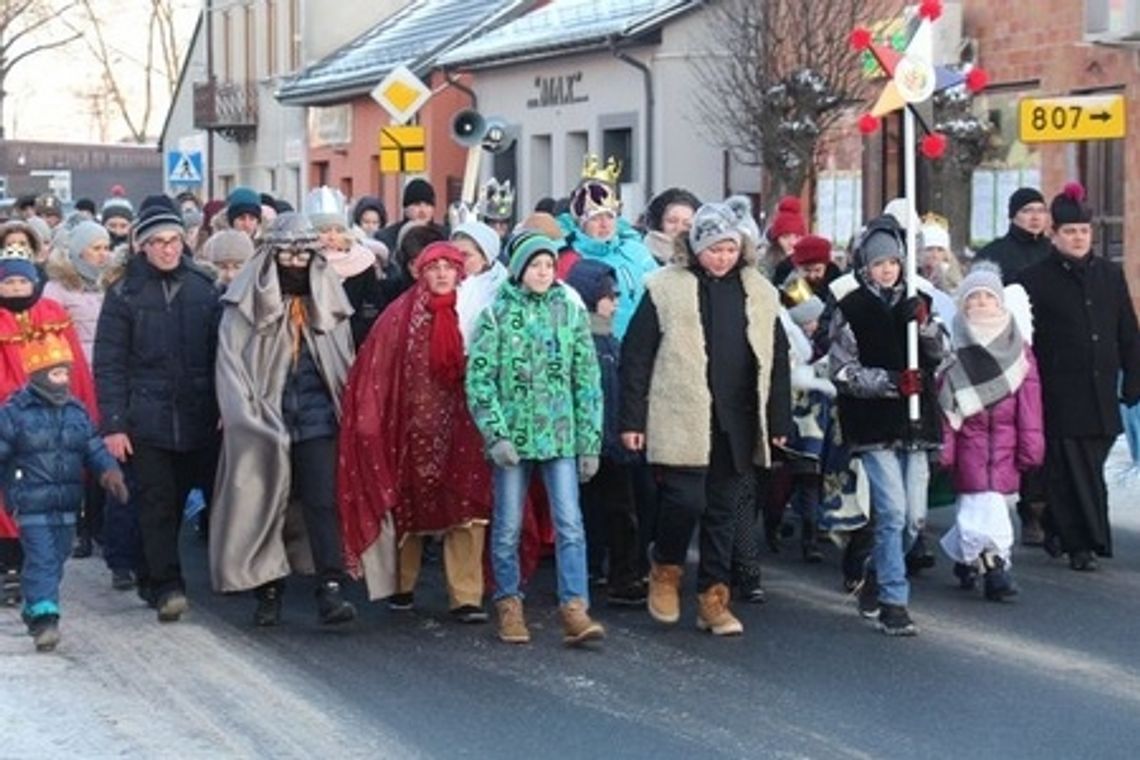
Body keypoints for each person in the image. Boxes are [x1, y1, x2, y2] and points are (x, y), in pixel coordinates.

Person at [620, 200, 791, 636]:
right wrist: (632, 420)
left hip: (738, 414)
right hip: (682, 412)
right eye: (714, 249)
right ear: (696, 248)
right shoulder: (665, 287)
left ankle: (714, 597)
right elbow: (637, 356)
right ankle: (667, 566)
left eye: (730, 249)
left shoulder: (760, 291)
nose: (722, 257)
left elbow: (778, 360)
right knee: (685, 499)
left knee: (725, 511)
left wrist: (778, 422)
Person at [210, 214, 357, 627]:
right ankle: (267, 587)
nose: (295, 262)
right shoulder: (244, 306)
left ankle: (330, 586)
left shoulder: (328, 302)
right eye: (287, 254)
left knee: (322, 500)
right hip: (263, 417)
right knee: (265, 498)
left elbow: (343, 362)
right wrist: (247, 417)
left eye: (303, 254)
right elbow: (231, 366)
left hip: (318, 417)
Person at [340, 242, 492, 623]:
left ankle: (466, 596)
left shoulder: (475, 311)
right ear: (419, 272)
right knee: (408, 508)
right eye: (433, 266)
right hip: (410, 427)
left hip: (465, 425)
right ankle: (401, 587)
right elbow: (376, 369)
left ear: (461, 272)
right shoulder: (398, 315)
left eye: (449, 266)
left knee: (467, 507)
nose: (442, 274)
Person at [466, 231, 605, 646]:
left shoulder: (570, 311)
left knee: (570, 524)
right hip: (513, 436)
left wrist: (590, 441)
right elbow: (480, 380)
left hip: (560, 436)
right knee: (508, 524)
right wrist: (495, 435)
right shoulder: (496, 315)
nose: (543, 273)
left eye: (549, 265)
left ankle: (575, 606)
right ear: (521, 270)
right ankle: (509, 602)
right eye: (535, 266)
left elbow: (587, 380)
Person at [94, 204, 222, 622]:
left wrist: (224, 407)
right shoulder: (124, 293)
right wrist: (113, 423)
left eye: (173, 241)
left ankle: (153, 575)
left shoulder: (204, 288)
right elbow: (109, 363)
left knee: (186, 499)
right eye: (158, 242)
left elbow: (222, 355)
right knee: (157, 503)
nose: (168, 250)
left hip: (198, 414)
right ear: (142, 246)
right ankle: (168, 586)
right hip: (144, 418)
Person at [828, 215, 947, 636]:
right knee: (892, 511)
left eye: (893, 262)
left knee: (915, 518)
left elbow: (940, 353)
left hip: (916, 426)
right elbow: (842, 371)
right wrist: (891, 383)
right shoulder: (853, 309)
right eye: (879, 264)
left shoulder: (915, 301)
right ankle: (895, 600)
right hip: (875, 424)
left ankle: (876, 574)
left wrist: (925, 323)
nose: (887, 270)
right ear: (866, 266)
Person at [1016, 182, 1140, 571]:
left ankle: (1057, 524)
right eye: (1070, 232)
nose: (1078, 238)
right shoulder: (1034, 279)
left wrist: (1134, 378)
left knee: (1087, 463)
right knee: (1074, 466)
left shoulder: (1109, 274)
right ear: (1055, 235)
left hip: (1103, 388)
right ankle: (1085, 542)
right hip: (1059, 390)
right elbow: (1024, 339)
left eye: (1084, 231)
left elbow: (1127, 330)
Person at [0, 334, 128, 651]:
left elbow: (92, 446)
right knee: (42, 558)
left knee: (57, 557)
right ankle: (46, 619)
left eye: (66, 374)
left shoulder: (76, 411)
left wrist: (109, 470)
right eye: (57, 374)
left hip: (68, 502)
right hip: (30, 501)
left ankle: (35, 605)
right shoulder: (15, 412)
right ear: (40, 375)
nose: (64, 380)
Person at [0, 223, 99, 607]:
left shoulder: (52, 312)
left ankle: (37, 567)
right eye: (7, 285)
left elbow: (74, 369)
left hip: (51, 421)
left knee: (47, 497)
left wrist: (84, 413)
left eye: (20, 284)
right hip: (10, 420)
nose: (14, 291)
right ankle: (11, 565)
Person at [938, 262, 1044, 600]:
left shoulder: (1019, 349)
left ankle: (977, 560)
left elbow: (1030, 401)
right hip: (970, 441)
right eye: (974, 297)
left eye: (988, 296)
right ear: (964, 304)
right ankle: (993, 568)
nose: (982, 302)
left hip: (1005, 443)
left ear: (1000, 302)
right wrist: (945, 447)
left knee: (993, 506)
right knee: (976, 507)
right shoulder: (954, 347)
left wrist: (1031, 444)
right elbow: (948, 405)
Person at [564, 258, 644, 605]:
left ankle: (609, 571)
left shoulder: (611, 339)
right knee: (605, 511)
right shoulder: (584, 340)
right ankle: (612, 574)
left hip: (611, 440)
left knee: (613, 510)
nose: (614, 302)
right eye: (608, 295)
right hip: (594, 440)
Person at [44, 220, 114, 559]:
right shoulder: (57, 289)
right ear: (79, 251)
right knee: (74, 451)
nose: (103, 254)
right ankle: (78, 527)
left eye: (106, 247)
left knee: (101, 448)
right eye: (96, 248)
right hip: (72, 379)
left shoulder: (109, 284)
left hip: (107, 375)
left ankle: (99, 524)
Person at [561, 157, 658, 340]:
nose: (604, 224)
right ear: (582, 223)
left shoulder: (637, 251)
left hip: (640, 348)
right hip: (597, 349)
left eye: (609, 216)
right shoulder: (571, 258)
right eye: (596, 218)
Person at [306, 186, 383, 347]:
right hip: (313, 342)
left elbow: (372, 306)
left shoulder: (362, 260)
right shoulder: (305, 261)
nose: (333, 236)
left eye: (339, 230)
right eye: (325, 230)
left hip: (354, 342)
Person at [976, 187, 1051, 284]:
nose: (1035, 217)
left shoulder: (1055, 251)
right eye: (1027, 211)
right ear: (1013, 215)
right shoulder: (992, 254)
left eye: (1041, 211)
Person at [452, 221, 509, 345]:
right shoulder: (449, 283)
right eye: (454, 254)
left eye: (466, 255)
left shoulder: (504, 289)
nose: (458, 260)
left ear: (485, 257)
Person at [376, 178, 439, 253]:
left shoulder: (443, 236)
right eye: (417, 204)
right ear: (405, 208)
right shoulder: (387, 237)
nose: (423, 210)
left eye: (428, 205)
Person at [642, 187, 701, 264]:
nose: (679, 228)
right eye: (672, 221)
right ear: (658, 222)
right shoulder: (642, 256)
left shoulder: (704, 258)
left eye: (687, 224)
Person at [765, 196, 807, 282]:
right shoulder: (765, 262)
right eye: (785, 237)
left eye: (797, 237)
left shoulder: (808, 262)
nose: (792, 242)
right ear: (776, 239)